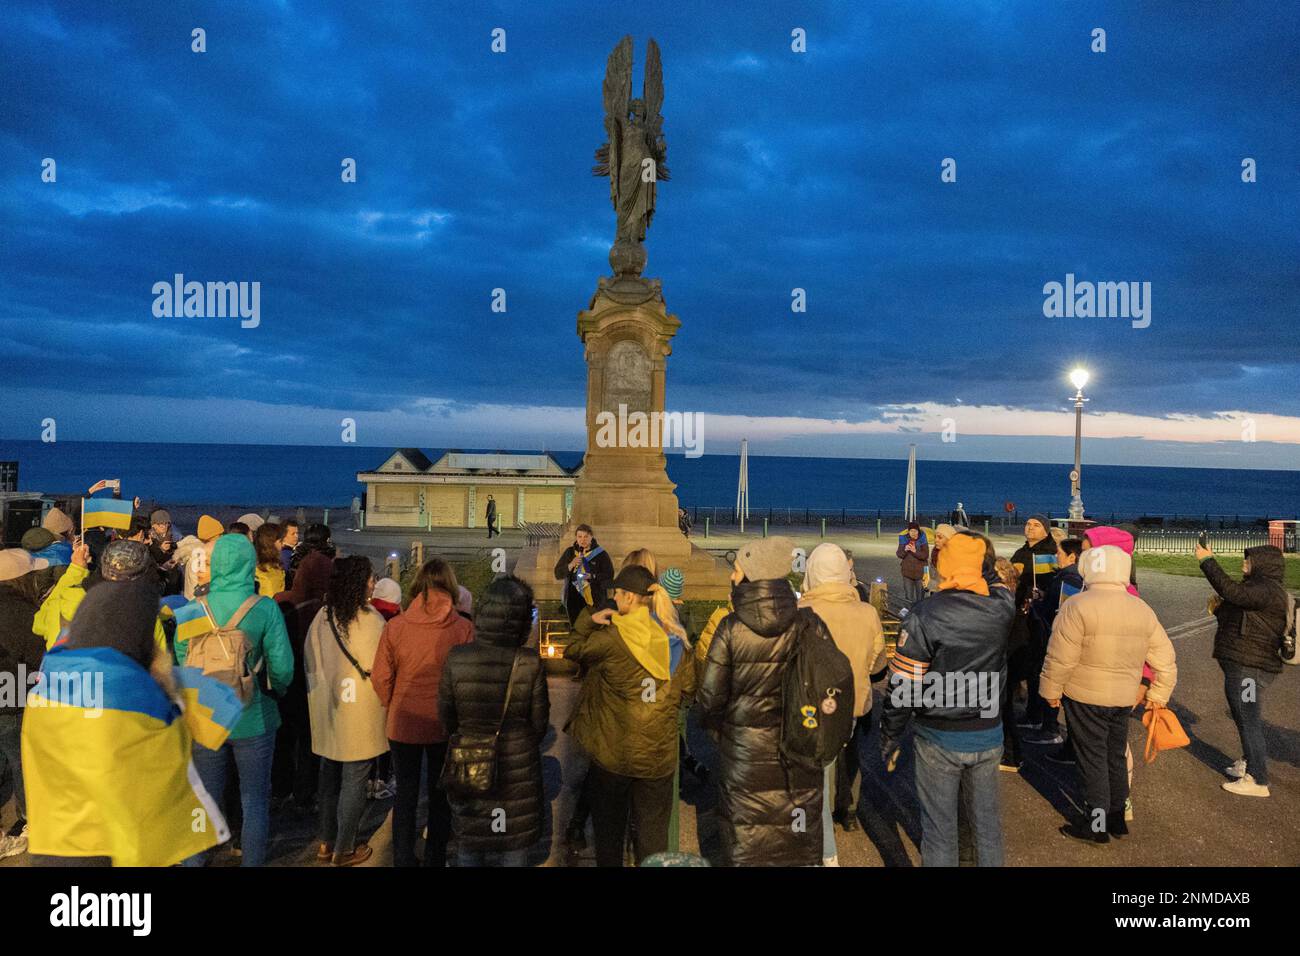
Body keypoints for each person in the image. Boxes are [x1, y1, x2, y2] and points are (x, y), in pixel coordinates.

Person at [22, 542, 234, 867]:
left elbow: (40, 625)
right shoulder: (141, 688)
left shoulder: (42, 697)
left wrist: (74, 571)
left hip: (56, 845)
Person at [879, 532, 1014, 866]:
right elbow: (995, 580)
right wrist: (979, 558)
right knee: (987, 828)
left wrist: (890, 733)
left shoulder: (924, 615)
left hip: (939, 734)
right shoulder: (1001, 607)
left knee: (939, 831)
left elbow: (904, 686)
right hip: (987, 729)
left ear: (943, 567)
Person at [697, 536, 828, 867]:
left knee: (748, 841)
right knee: (793, 842)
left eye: (737, 569)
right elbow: (831, 686)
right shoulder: (811, 624)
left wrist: (727, 735)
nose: (731, 576)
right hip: (798, 749)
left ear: (750, 577)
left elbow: (710, 699)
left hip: (744, 754)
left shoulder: (730, 628)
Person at [1040, 545, 1176, 843]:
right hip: (1123, 697)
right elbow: (1164, 658)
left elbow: (1060, 656)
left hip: (1085, 694)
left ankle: (1096, 823)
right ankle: (1116, 816)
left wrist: (1050, 690)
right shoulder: (1140, 608)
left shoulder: (1077, 605)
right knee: (1114, 754)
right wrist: (1159, 693)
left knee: (1092, 758)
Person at [564, 564, 694, 866]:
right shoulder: (675, 639)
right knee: (653, 841)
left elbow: (573, 649)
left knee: (609, 839)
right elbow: (689, 689)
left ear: (630, 598)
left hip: (614, 754)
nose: (615, 599)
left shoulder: (612, 638)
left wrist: (589, 619)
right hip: (657, 758)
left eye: (617, 594)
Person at [179, 534, 295, 867]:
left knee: (204, 799)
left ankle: (193, 861)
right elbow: (283, 666)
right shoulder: (265, 609)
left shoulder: (192, 609)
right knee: (254, 801)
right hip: (254, 714)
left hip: (206, 716)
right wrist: (279, 692)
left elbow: (182, 657)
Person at [439, 576, 550, 866]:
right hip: (517, 765)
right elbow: (539, 725)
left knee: (471, 844)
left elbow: (447, 718)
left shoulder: (457, 658)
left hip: (470, 761)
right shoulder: (530, 662)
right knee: (513, 846)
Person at [371, 557, 474, 866]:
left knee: (405, 795)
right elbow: (467, 679)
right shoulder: (463, 628)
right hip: (444, 723)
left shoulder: (396, 627)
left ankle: (402, 857)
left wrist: (393, 703)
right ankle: (435, 858)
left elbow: (380, 676)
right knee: (440, 796)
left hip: (403, 722)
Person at [798, 543, 887, 862]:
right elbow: (879, 663)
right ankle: (843, 817)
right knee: (836, 765)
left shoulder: (802, 614)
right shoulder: (867, 613)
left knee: (811, 781)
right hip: (851, 706)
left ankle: (825, 852)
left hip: (810, 707)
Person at [304, 555, 388, 866]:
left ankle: (326, 842)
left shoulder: (323, 617)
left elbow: (309, 660)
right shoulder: (373, 620)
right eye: (371, 577)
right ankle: (345, 847)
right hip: (362, 711)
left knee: (329, 775)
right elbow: (383, 668)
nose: (374, 582)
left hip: (330, 707)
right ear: (361, 582)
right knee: (355, 777)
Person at [1196, 541, 1289, 798]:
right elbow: (1241, 616)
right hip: (1243, 664)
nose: (1243, 564)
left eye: (1248, 561)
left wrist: (1207, 561)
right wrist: (1220, 611)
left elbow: (1233, 592)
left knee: (1248, 718)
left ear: (1262, 565)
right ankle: (1249, 762)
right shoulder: (1260, 590)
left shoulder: (1266, 589)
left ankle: (1258, 780)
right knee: (1243, 716)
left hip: (1250, 667)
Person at [272, 527, 334, 813]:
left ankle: (282, 788)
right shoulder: (326, 611)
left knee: (286, 735)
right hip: (313, 677)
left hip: (286, 679)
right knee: (310, 738)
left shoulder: (281, 601)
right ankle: (304, 794)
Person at [0, 549, 49, 859]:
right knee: (22, 763)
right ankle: (33, 823)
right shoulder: (21, 613)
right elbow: (38, 656)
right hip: (13, 701)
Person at [1010, 514, 1060, 744]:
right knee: (1026, 663)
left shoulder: (1049, 552)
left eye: (1036, 525)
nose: (1030, 527)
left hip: (1041, 617)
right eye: (1028, 524)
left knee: (1038, 666)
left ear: (1046, 530)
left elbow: (1055, 582)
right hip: (1021, 614)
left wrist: (1043, 595)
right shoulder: (1022, 551)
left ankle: (1040, 715)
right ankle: (1031, 710)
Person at [553, 524, 615, 626]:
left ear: (591, 537)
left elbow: (609, 575)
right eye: (579, 537)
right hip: (573, 599)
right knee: (576, 629)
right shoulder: (570, 553)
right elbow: (557, 574)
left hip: (595, 600)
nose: (583, 540)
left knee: (593, 630)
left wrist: (593, 576)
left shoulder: (601, 554)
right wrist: (571, 565)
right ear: (576, 538)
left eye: (586, 536)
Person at [896, 521, 929, 608]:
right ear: (908, 531)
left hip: (921, 574)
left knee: (920, 598)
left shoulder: (923, 540)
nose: (913, 533)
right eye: (911, 531)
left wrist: (915, 551)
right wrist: (905, 550)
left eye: (915, 531)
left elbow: (925, 555)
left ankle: (919, 615)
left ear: (918, 531)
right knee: (908, 597)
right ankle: (908, 615)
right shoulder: (904, 539)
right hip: (907, 573)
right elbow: (899, 554)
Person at [254, 522, 285, 596]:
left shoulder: (276, 566)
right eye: (280, 541)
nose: (283, 544)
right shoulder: (260, 571)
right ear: (270, 543)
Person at [928, 524, 957, 595]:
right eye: (935, 537)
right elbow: (932, 576)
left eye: (940, 538)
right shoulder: (934, 553)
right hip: (935, 592)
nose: (936, 540)